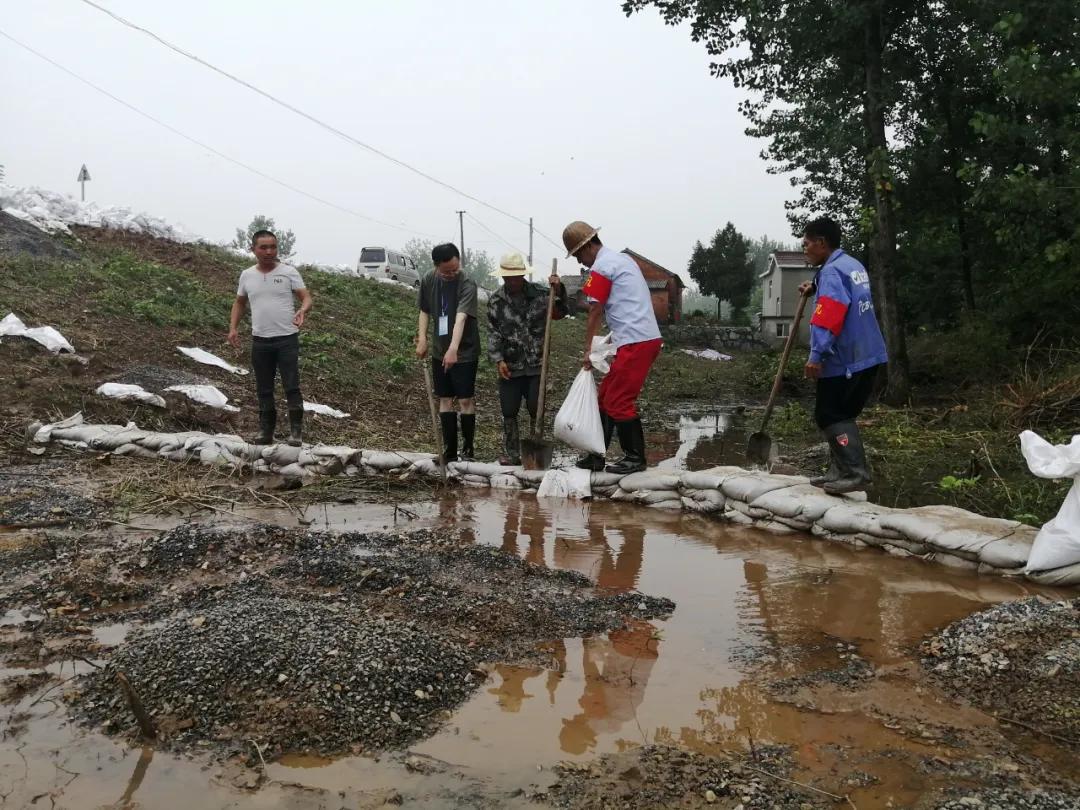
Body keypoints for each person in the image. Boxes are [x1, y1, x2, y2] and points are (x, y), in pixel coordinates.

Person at [563, 221, 663, 474]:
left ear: (586, 247)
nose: (579, 262)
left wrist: (588, 350)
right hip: (636, 339)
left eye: (577, 255)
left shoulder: (602, 267)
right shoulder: (622, 260)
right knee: (605, 398)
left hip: (637, 341)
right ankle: (597, 455)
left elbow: (594, 309)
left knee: (618, 400)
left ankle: (635, 458)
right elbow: (597, 303)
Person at [798, 216, 888, 493]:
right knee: (842, 414)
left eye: (806, 244)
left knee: (829, 414)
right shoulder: (851, 265)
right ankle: (840, 470)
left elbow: (830, 316)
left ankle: (854, 472)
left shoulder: (832, 272)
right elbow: (843, 292)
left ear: (821, 243)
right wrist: (815, 286)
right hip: (869, 354)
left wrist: (816, 355)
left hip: (845, 359)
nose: (804, 249)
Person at [228, 229, 312, 446]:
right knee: (263, 387)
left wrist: (302, 310)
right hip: (260, 340)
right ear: (253, 249)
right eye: (263, 247)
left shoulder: (289, 272)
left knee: (291, 385)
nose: (269, 251)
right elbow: (239, 302)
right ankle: (266, 432)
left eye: (273, 247)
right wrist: (233, 328)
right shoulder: (247, 275)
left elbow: (306, 298)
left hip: (286, 339)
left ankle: (295, 433)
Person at [487, 252, 568, 465]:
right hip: (510, 364)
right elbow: (493, 331)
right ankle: (512, 453)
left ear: (523, 275)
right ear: (503, 277)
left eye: (516, 277)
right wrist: (498, 359)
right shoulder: (496, 300)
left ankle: (535, 445)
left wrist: (558, 290)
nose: (512, 281)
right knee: (509, 410)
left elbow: (560, 312)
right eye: (508, 278)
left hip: (535, 363)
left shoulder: (542, 294)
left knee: (535, 407)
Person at [415, 242, 480, 462]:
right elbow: (424, 310)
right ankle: (450, 451)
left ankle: (468, 449)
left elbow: (461, 317)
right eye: (447, 271)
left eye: (455, 268)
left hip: (464, 351)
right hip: (439, 348)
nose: (453, 273)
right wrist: (423, 339)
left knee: (464, 400)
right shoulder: (428, 279)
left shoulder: (467, 282)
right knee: (444, 398)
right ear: (436, 267)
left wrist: (453, 349)